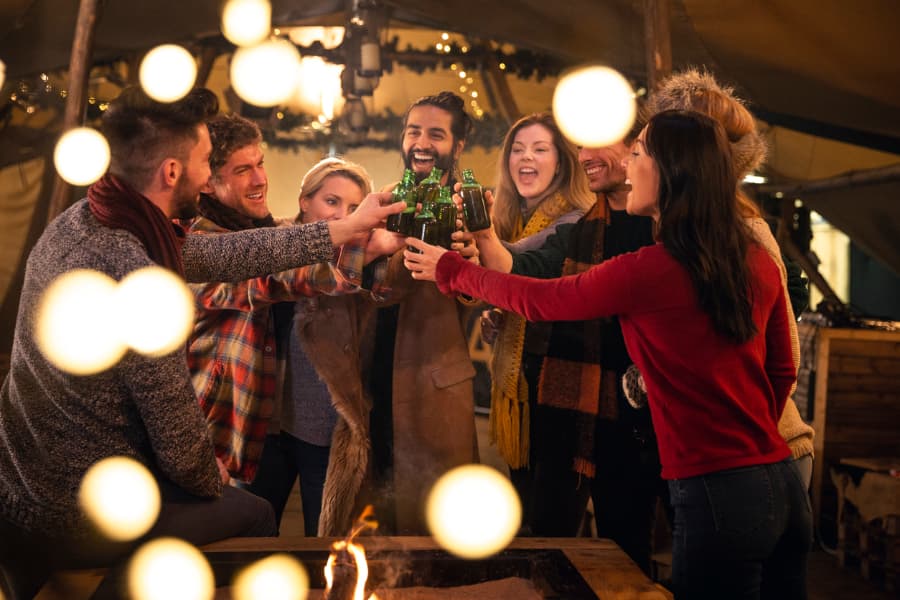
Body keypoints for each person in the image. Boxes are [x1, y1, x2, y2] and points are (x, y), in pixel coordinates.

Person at [0, 86, 402, 599]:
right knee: (253, 511)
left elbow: (223, 254)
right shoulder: (138, 273)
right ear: (172, 172)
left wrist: (344, 229)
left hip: (14, 483)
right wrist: (209, 475)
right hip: (72, 511)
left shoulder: (87, 221)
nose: (209, 175)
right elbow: (178, 434)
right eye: (207, 162)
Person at [406, 110, 813, 599]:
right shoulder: (752, 258)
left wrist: (451, 269)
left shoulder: (652, 269)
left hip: (716, 489)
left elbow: (542, 300)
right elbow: (781, 367)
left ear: (670, 171)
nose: (626, 163)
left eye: (638, 153)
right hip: (782, 481)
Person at [184, 114, 401, 535]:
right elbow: (273, 277)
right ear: (208, 182)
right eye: (242, 170)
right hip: (232, 429)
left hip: (314, 425)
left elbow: (385, 294)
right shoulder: (199, 239)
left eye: (260, 163)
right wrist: (361, 240)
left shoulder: (266, 231)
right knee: (240, 551)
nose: (259, 178)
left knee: (319, 541)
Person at [461, 125, 662, 563]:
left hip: (642, 421)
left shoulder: (674, 231)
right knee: (546, 545)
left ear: (637, 150)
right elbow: (521, 268)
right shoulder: (581, 232)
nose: (585, 153)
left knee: (629, 552)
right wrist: (482, 231)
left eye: (600, 140)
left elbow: (786, 289)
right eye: (581, 143)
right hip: (571, 409)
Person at [636, 68, 815, 488]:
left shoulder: (747, 232)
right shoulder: (679, 232)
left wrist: (743, 445)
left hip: (769, 458)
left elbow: (785, 358)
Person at [365, 91, 479, 534]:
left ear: (457, 144)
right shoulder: (383, 202)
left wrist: (466, 263)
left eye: (436, 133)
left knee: (435, 524)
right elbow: (366, 283)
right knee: (374, 520)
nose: (422, 142)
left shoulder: (468, 206)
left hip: (434, 382)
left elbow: (481, 294)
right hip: (373, 378)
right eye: (414, 131)